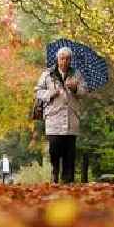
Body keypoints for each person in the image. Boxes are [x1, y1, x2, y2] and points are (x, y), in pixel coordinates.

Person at [35, 46, 88, 183]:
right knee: (54, 149)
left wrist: (75, 88)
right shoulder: (47, 74)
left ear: (70, 60)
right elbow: (38, 92)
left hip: (71, 117)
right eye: (62, 58)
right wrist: (49, 93)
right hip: (53, 117)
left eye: (67, 59)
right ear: (57, 59)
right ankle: (55, 172)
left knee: (69, 152)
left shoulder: (76, 74)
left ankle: (67, 179)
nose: (64, 61)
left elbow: (84, 91)